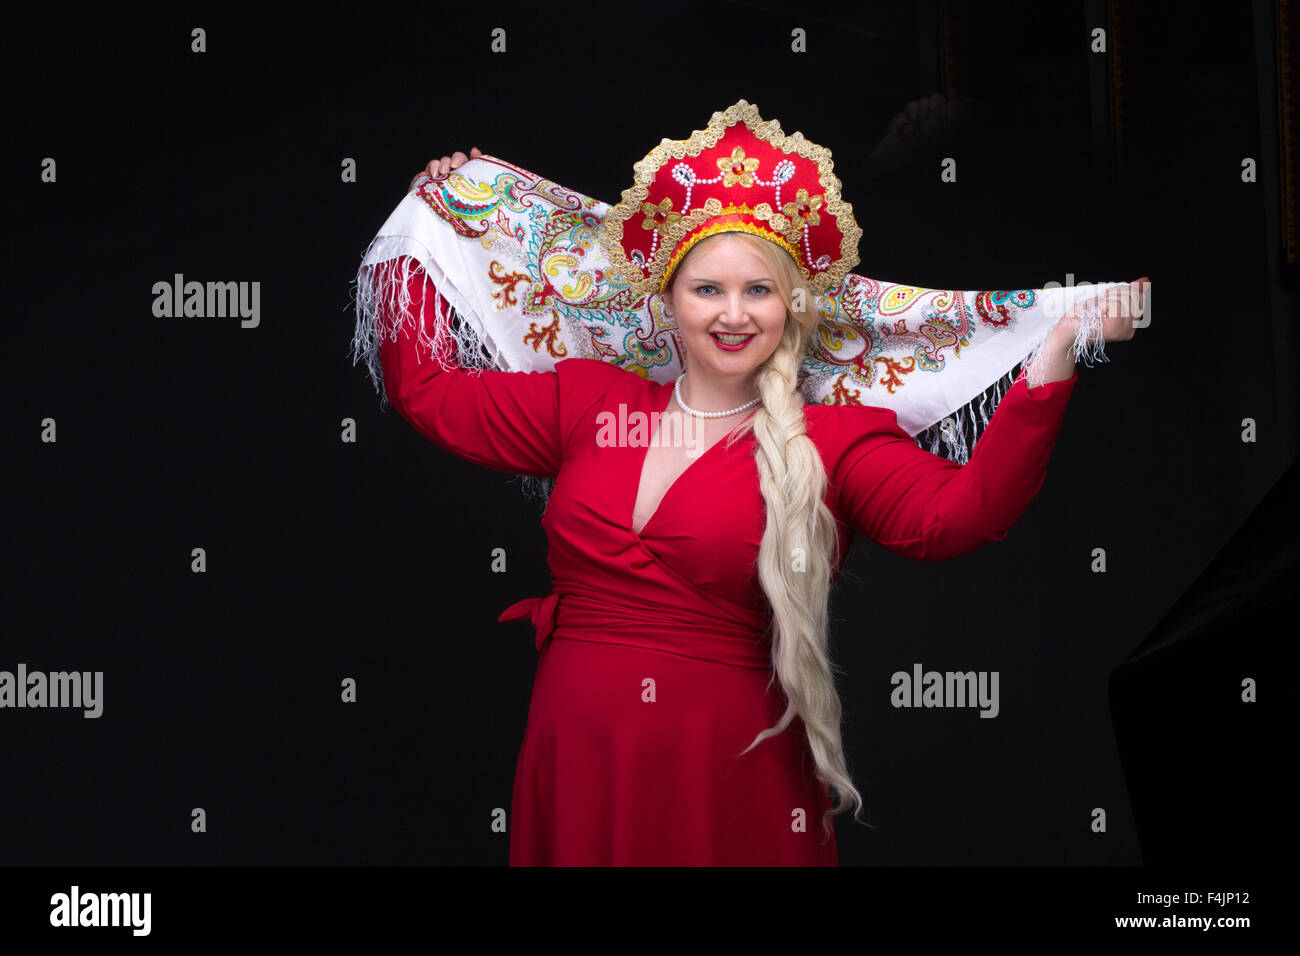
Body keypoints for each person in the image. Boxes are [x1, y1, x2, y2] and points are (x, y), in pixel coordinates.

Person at [358, 100, 1148, 866]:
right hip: (576, 754)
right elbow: (425, 388)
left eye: (758, 290)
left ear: (792, 305)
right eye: (708, 289)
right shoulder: (589, 401)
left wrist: (1053, 360)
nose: (732, 315)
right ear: (667, 302)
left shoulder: (830, 440)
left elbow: (959, 518)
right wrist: (430, 225)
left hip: (726, 766)